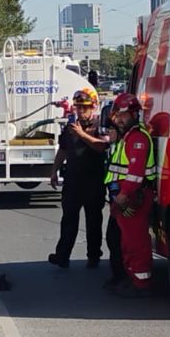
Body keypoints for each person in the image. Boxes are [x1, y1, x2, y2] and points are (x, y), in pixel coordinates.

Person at [48, 88, 112, 270]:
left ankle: (93, 256)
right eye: (78, 107)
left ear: (93, 108)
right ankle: (62, 256)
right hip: (73, 180)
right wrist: (54, 170)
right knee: (68, 219)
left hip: (94, 181)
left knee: (93, 221)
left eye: (84, 108)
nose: (81, 111)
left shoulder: (100, 125)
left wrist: (82, 135)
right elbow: (63, 150)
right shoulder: (70, 127)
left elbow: (102, 147)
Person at [104, 93, 157, 298]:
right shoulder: (126, 138)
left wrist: (124, 195)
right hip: (124, 198)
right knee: (126, 241)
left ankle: (141, 284)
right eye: (117, 116)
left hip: (134, 198)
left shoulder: (137, 138)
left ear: (134, 114)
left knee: (136, 242)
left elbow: (135, 173)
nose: (119, 119)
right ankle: (131, 279)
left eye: (123, 116)